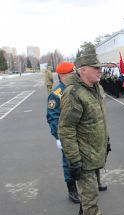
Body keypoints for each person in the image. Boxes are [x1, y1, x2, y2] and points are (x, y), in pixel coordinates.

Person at [59, 49, 110, 215]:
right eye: (95, 67)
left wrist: (107, 140)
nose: (100, 70)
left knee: (92, 188)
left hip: (97, 149)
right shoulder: (74, 94)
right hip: (83, 154)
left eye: (100, 67)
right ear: (82, 70)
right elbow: (66, 129)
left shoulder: (98, 87)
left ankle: (83, 214)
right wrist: (74, 159)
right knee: (91, 194)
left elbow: (100, 118)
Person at [46, 62, 80, 204]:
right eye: (71, 74)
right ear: (62, 76)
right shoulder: (56, 94)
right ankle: (72, 189)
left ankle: (93, 182)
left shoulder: (77, 88)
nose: (74, 76)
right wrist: (59, 138)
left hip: (81, 132)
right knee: (69, 162)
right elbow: (53, 118)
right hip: (66, 136)